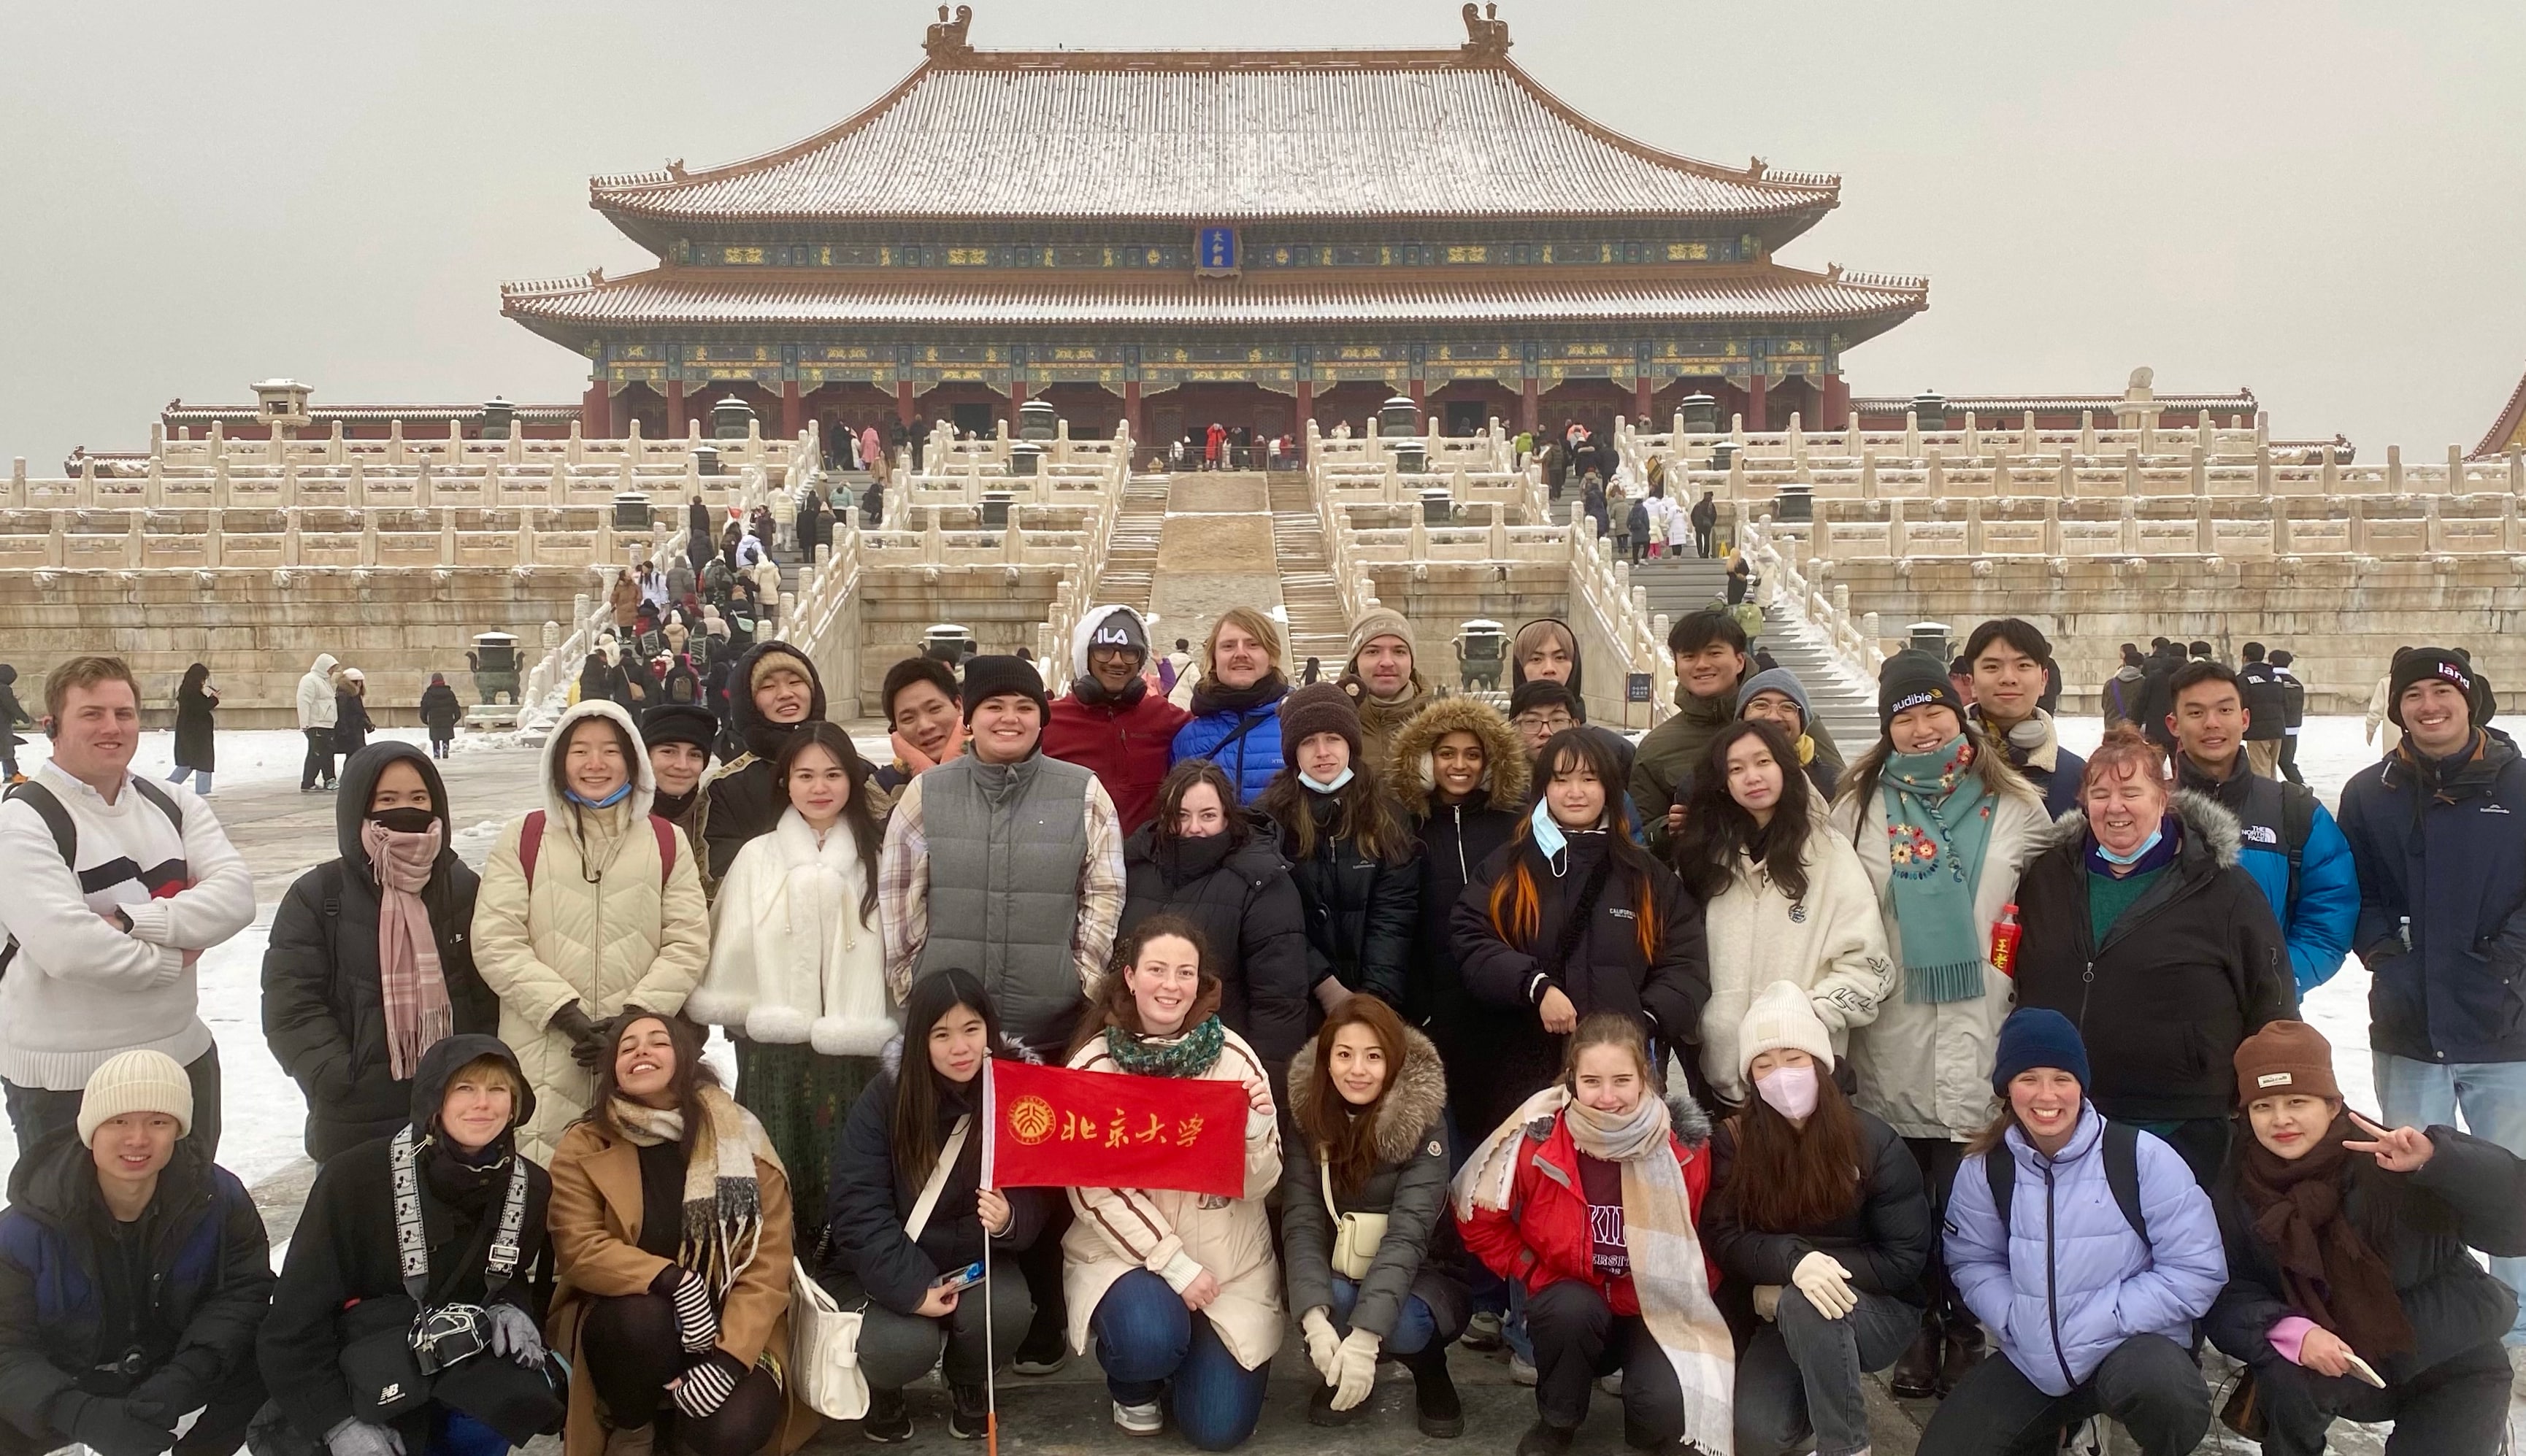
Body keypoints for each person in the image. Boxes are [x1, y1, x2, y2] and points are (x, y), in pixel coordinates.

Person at [1826, 650, 2050, 1398]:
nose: (1921, 730)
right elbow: (1836, 918)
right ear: (1887, 728)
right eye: (1904, 718)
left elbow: (2045, 914)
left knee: (1975, 1199)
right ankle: (1918, 1324)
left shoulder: (2015, 804)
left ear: (1959, 716)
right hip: (1891, 1032)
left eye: (1933, 714)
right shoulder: (1856, 807)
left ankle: (1967, 1328)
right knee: (1902, 1202)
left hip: (1980, 1026)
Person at [2204, 1020, 2526, 1456]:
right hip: (2342, 1366)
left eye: (2297, 1101)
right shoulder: (2234, 1189)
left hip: (2450, 1353)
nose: (2281, 1120)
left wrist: (2441, 1162)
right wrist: (2289, 1331)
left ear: (2333, 1105)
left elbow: (2515, 1228)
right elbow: (2225, 1292)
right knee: (2285, 1374)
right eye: (2263, 1107)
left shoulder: (2395, 1159)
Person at [1916, 1009, 2224, 1456]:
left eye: (2062, 1078)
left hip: (2129, 1348)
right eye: (2028, 1078)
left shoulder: (2140, 1158)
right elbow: (1972, 1261)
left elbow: (2197, 1270)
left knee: (2167, 1393)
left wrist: (2102, 1318)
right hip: (2034, 1358)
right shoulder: (1986, 1169)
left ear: (2082, 1084)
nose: (2047, 1095)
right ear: (2006, 1088)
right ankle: (2056, 1432)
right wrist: (2012, 1316)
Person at [2010, 727, 2296, 1187]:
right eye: (2100, 793)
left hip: (2182, 1122)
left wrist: (2276, 1096)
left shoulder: (2223, 888)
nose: (2115, 806)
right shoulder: (2047, 877)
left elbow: (2271, 1001)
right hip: (2065, 1115)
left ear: (2164, 799)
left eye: (2131, 791)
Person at [2336, 645, 2526, 1336]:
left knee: (2510, 1181)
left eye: (2441, 692)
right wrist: (2385, 953)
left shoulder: (2520, 783)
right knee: (2407, 1176)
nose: (2429, 706)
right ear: (2398, 709)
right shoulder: (2369, 791)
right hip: (2409, 1022)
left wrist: (2506, 961)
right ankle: (2421, 1309)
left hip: (2502, 1023)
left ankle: (2516, 1324)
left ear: (2469, 698)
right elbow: (2355, 887)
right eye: (2412, 695)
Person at [0, 656, 253, 1158]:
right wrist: (172, 955)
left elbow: (235, 897)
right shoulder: (23, 821)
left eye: (125, 713)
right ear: (53, 726)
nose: (112, 727)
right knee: (76, 1231)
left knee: (189, 1223)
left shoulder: (175, 804)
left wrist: (134, 920)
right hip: (69, 1079)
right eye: (92, 714)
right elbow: (69, 948)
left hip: (180, 1057)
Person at [261, 1036, 561, 1456]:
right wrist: (336, 1423)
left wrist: (512, 1305)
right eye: (465, 1089)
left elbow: (508, 1277)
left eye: (498, 1090)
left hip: (461, 1370)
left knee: (508, 1401)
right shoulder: (354, 1177)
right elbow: (293, 1321)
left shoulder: (530, 1186)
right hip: (361, 1376)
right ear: (433, 1100)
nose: (483, 1104)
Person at [1454, 1012, 1729, 1456]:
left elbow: (1708, 1236)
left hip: (1653, 1306)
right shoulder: (1538, 1142)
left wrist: (1695, 1302)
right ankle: (1558, 1422)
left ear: (1646, 1078)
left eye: (1622, 1080)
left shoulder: (1685, 1149)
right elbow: (1477, 1218)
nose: (1607, 1098)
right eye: (1592, 1081)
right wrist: (1529, 1268)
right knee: (1567, 1310)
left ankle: (1648, 1414)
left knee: (1657, 1412)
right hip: (1574, 1302)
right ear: (1572, 1082)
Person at [546, 1012, 814, 1456]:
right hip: (636, 1324)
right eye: (627, 1047)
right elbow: (578, 1247)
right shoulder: (586, 1142)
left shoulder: (741, 1140)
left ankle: (685, 1433)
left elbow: (768, 1264)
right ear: (613, 1066)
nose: (641, 1052)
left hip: (733, 1320)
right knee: (639, 1320)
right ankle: (633, 1424)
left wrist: (728, 1361)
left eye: (658, 1043)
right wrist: (674, 1282)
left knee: (730, 1431)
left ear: (685, 1059)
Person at [1061, 917, 1283, 1449]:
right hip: (1128, 1258)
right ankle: (1135, 1383)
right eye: (1157, 970)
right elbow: (1091, 1185)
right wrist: (1174, 1264)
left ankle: (1190, 1365)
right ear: (1131, 977)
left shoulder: (1235, 1058)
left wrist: (1254, 1131)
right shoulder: (1094, 1063)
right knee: (1150, 1336)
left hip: (1226, 1267)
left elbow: (1261, 1186)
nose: (1170, 984)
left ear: (1201, 983)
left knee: (1218, 1428)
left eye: (1185, 972)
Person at [0, 1050, 272, 1456]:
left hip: (172, 1368)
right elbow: (7, 1345)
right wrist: (77, 1412)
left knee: (277, 1346)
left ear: (179, 1130)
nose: (138, 1139)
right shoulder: (26, 1227)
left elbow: (243, 1293)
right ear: (90, 1130)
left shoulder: (217, 1197)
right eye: (118, 1121)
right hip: (69, 1380)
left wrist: (189, 1373)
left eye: (158, 1122)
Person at [472, 700, 710, 1160]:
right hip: (541, 1047)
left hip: (637, 1054)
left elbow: (687, 941)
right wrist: (564, 1014)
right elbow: (495, 940)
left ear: (632, 761)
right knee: (541, 1182)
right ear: (559, 761)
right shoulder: (524, 837)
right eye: (580, 751)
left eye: (610, 751)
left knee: (630, 1193)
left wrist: (634, 1019)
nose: (595, 764)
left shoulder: (664, 840)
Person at [1703, 985, 1931, 1456]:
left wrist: (1806, 1272)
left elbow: (1905, 1259)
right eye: (1763, 1064)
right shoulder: (1736, 1141)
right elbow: (1724, 1234)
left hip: (1877, 1309)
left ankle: (1845, 1446)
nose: (1780, 1075)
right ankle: (1813, 1399)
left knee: (1809, 1304)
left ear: (1821, 1064)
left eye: (1794, 1057)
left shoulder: (1875, 1142)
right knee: (1757, 1436)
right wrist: (1792, 1263)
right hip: (1780, 1306)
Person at [821, 969, 1045, 1441]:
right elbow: (857, 1206)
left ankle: (968, 1379)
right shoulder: (887, 1096)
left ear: (989, 1027)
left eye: (971, 1029)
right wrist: (913, 1285)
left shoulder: (1015, 1091)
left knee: (1007, 1311)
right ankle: (884, 1386)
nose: (959, 1047)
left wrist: (1011, 1219)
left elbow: (1039, 1183)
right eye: (941, 1034)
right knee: (901, 1344)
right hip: (888, 1265)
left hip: (975, 1263)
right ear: (920, 1038)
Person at [1455, 728, 1709, 1130]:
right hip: (1528, 1070)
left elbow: (1685, 961)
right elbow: (1471, 936)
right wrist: (1535, 986)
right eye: (1561, 779)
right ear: (1543, 789)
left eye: (1589, 779)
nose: (1576, 791)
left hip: (1622, 1076)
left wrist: (1642, 1021)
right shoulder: (1510, 867)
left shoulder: (1647, 877)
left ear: (1609, 788)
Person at [263, 742, 498, 1163]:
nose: (404, 810)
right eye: (386, 800)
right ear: (358, 807)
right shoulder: (319, 896)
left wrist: (483, 1072)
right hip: (355, 1122)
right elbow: (291, 1006)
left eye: (418, 798)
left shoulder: (462, 888)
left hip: (459, 1115)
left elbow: (490, 990)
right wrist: (336, 1078)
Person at [881, 653, 1124, 1058]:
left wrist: (1081, 979)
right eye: (994, 706)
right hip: (948, 1030)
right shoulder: (927, 794)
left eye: (1024, 707)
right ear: (970, 718)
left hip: (1051, 1029)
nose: (1009, 718)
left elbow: (1104, 894)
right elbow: (900, 898)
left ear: (1041, 719)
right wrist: (913, 978)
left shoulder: (1083, 792)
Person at [1671, 722, 1892, 1112]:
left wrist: (1803, 1020)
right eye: (1736, 769)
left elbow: (1868, 966)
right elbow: (1679, 954)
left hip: (1804, 1082)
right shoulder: (1705, 856)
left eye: (1763, 762)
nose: (1751, 777)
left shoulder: (1828, 853)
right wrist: (1705, 1020)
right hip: (1721, 1083)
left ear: (1786, 767)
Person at [1281, 996, 1468, 1436]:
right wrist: (1314, 1325)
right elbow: (1302, 1221)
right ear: (1326, 1061)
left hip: (1424, 1271)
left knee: (1403, 1324)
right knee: (1331, 1304)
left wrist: (1364, 1341)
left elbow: (1408, 1234)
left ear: (1394, 1061)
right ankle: (1342, 1372)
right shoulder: (1307, 1116)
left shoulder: (1424, 1119)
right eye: (1344, 1055)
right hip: (1341, 1267)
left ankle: (1427, 1367)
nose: (1357, 1070)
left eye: (1373, 1056)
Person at [2165, 660, 2358, 994]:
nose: (2212, 724)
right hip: (2163, 1012)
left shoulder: (2292, 809)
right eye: (2195, 713)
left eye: (2224, 710)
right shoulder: (2145, 809)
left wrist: (2277, 980)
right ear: (2174, 725)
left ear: (2245, 719)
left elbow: (2331, 909)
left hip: (2263, 1017)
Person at [1120, 759, 1311, 1082]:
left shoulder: (1260, 881)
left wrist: (1265, 1085)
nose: (1194, 827)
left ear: (1227, 817)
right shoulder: (1133, 867)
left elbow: (1279, 1004)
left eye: (1208, 815)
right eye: (1181, 815)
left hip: (1219, 1065)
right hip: (1131, 1057)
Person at [1387, 697, 1529, 1117]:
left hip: (1506, 998)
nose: (1459, 765)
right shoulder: (1408, 823)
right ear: (1425, 759)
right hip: (1434, 999)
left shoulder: (1515, 821)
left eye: (1473, 754)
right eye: (1446, 753)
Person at [1254, 685, 1419, 1012]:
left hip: (1375, 991)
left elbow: (1395, 913)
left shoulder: (1387, 812)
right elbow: (1274, 917)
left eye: (1332, 738)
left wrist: (1375, 997)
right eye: (1307, 742)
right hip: (1301, 994)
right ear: (1293, 752)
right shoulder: (1268, 818)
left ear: (1350, 744)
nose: (1322, 751)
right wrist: (1326, 987)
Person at [1043, 604, 1189, 836]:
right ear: (1084, 656)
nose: (1117, 661)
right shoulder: (1047, 721)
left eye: (1130, 653)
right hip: (1073, 866)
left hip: (1147, 866)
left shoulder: (1161, 715)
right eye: (1104, 651)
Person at [699, 642, 826, 890]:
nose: (785, 693)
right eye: (768, 686)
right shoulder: (725, 788)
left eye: (795, 682)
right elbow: (721, 874)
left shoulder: (855, 770)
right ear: (748, 701)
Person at [1962, 619, 2087, 819]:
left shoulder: (2075, 775)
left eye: (2023, 665)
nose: (2009, 678)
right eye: (1992, 667)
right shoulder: (1939, 766)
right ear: (1972, 682)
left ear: (2044, 679)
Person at [1170, 607, 1290, 806]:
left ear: (1272, 657)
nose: (1241, 653)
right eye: (1228, 646)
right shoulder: (1187, 738)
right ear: (1214, 659)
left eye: (1253, 644)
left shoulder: (1296, 728)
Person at [1505, 617, 1636, 782]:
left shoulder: (1615, 751)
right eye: (1536, 659)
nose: (1549, 669)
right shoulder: (1495, 753)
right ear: (1519, 667)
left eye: (1560, 658)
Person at [1337, 607, 1430, 768]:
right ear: (1355, 662)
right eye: (1373, 651)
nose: (1387, 662)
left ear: (1411, 661)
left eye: (1399, 651)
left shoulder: (1441, 722)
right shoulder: (1331, 718)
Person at [869, 655, 963, 812]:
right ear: (895, 728)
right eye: (908, 718)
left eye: (934, 709)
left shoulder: (996, 769)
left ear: (958, 706)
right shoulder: (882, 787)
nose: (925, 726)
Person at [1733, 666, 1837, 798]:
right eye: (1761, 705)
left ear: (1802, 724)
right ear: (1741, 718)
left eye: (1787, 707)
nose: (1773, 717)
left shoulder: (1832, 785)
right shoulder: (1717, 779)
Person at [640, 701, 716, 839]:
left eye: (694, 755)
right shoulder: (620, 820)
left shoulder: (717, 818)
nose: (682, 765)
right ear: (646, 757)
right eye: (669, 752)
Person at [2238, 642, 2290, 777]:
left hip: (2257, 732)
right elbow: (2286, 703)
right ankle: (2274, 796)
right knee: (2272, 770)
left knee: (2260, 770)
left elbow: (2241, 705)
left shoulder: (2243, 679)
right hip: (2277, 729)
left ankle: (2265, 797)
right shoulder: (2277, 679)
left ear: (2245, 658)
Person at [169, 663, 217, 795]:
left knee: (187, 765)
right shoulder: (192, 693)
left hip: (190, 735)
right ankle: (203, 792)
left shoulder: (187, 691)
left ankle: (165, 789)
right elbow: (200, 708)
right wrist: (214, 700)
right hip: (197, 736)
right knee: (202, 765)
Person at [297, 651, 341, 792]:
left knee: (321, 754)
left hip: (326, 724)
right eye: (330, 668)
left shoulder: (323, 681)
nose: (332, 671)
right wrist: (304, 724)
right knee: (319, 754)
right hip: (316, 724)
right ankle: (327, 779)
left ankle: (310, 782)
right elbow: (304, 702)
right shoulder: (310, 680)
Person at [1508, 679, 1579, 763]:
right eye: (1532, 721)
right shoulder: (1496, 774)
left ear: (1575, 726)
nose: (1546, 732)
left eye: (1557, 720)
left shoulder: (1596, 772)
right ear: (1512, 729)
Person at [2268, 647, 2308, 785]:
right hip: (2293, 728)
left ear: (2271, 663)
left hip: (2273, 728)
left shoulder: (2272, 682)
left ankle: (2297, 786)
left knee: (2268, 761)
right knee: (2286, 760)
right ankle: (2300, 785)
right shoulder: (2297, 684)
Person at [419, 671, 464, 760]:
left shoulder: (429, 694)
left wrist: (424, 719)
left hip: (434, 719)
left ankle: (436, 751)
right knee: (445, 735)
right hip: (447, 718)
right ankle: (445, 746)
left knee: (435, 737)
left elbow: (424, 707)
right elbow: (455, 705)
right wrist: (455, 718)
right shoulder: (449, 693)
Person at [2100, 644, 2145, 730]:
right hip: (2133, 731)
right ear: (2141, 666)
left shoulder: (2110, 684)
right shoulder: (2144, 683)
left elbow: (2104, 705)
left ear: (2124, 663)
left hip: (2112, 730)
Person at [0, 663, 29, 783]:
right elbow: (11, 705)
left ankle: (10, 775)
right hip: (2, 725)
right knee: (7, 748)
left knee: (4, 749)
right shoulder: (4, 689)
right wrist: (24, 717)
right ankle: (12, 775)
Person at [1689, 490, 1718, 558]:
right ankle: (1706, 553)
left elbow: (1692, 515)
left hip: (1698, 525)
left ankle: (1700, 553)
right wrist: (1711, 524)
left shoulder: (1698, 505)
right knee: (1707, 539)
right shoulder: (1711, 506)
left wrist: (1695, 524)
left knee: (1699, 539)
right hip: (1707, 526)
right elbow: (1714, 516)